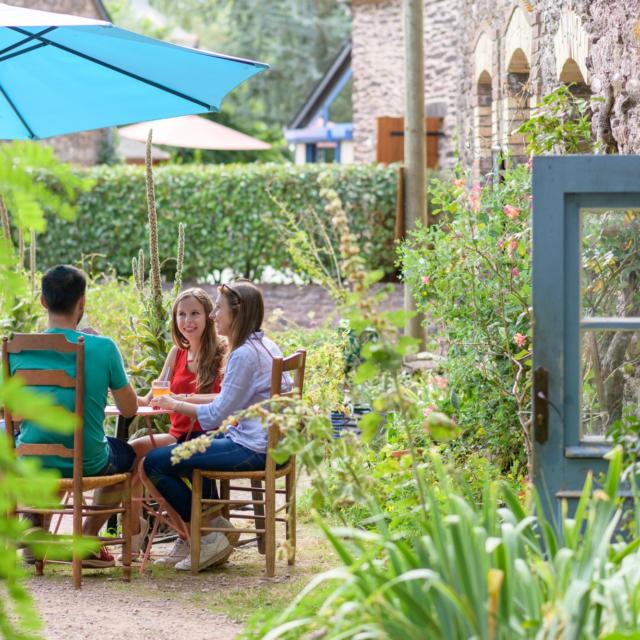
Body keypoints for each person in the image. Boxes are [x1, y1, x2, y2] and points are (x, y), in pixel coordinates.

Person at [144, 281, 290, 572]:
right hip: (269, 444)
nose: (213, 316)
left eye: (218, 309)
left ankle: (210, 532)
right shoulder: (265, 345)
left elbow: (216, 414)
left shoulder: (242, 354)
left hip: (251, 448)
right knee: (185, 448)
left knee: (154, 464)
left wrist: (174, 404)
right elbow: (228, 402)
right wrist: (182, 399)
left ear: (237, 312)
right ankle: (213, 525)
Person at [9, 265, 138, 568]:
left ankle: (35, 530)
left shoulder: (16, 348)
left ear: (42, 300)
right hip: (88, 461)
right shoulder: (103, 347)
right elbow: (130, 409)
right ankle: (87, 541)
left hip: (29, 460)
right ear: (82, 302)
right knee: (128, 455)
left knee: (39, 449)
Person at [126, 287, 225, 559]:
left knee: (151, 465)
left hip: (207, 434)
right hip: (178, 433)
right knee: (132, 453)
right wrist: (120, 391)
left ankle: (189, 534)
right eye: (181, 314)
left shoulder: (221, 351)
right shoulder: (176, 353)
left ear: (209, 317)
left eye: (195, 313)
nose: (187, 320)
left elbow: (227, 398)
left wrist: (184, 398)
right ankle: (134, 533)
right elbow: (153, 396)